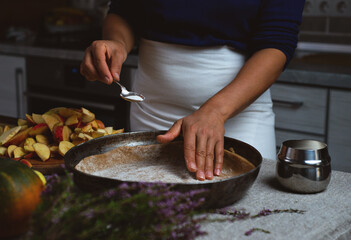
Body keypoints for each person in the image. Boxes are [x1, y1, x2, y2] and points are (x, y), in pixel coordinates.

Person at [80, 0, 305, 181]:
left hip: (238, 119)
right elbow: (124, 11)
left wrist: (216, 111)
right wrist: (116, 42)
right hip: (151, 113)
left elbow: (277, 42)